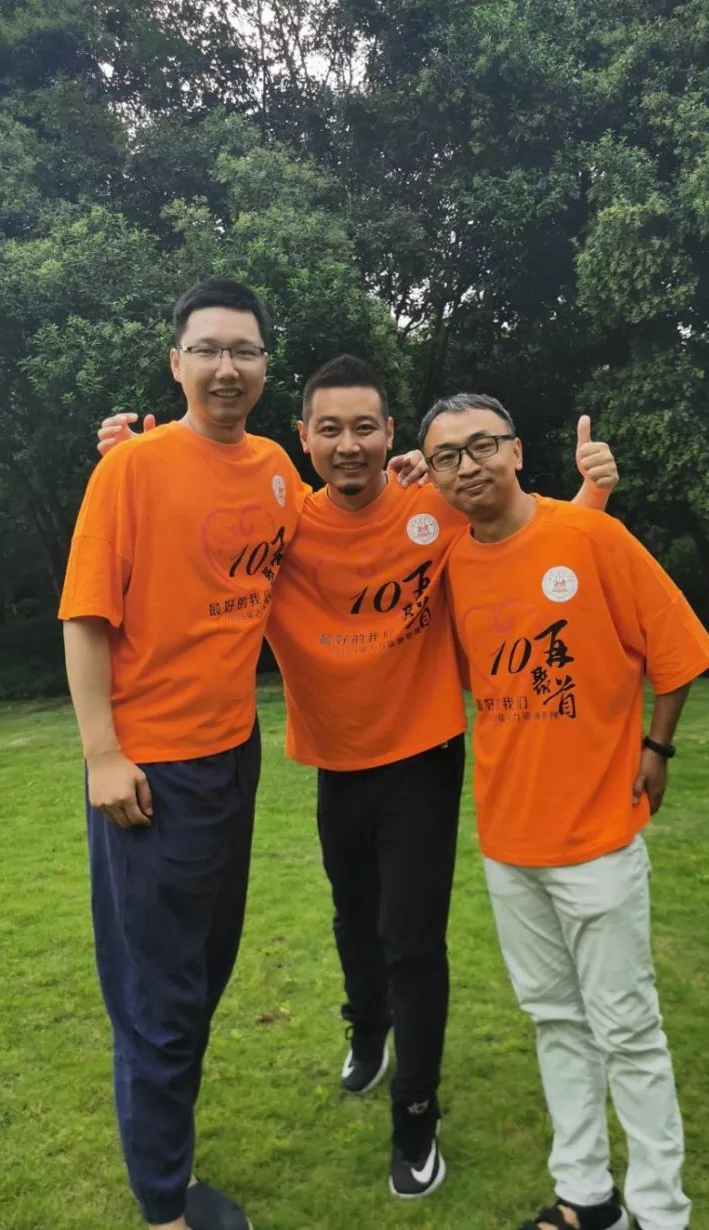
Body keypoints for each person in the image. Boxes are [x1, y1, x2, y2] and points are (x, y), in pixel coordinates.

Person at [96, 356, 619, 1200]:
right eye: (331, 429)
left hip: (422, 757)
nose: (349, 445)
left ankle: (416, 1115)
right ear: (303, 438)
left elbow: (533, 541)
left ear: (391, 435)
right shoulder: (281, 524)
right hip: (335, 760)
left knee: (412, 940)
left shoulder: (432, 504)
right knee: (353, 919)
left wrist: (593, 489)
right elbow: (191, 536)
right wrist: (132, 461)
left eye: (366, 428)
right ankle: (367, 1029)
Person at [418, 394, 709, 1230]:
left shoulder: (590, 537)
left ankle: (660, 1211)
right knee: (555, 1022)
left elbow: (676, 649)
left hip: (597, 837)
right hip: (508, 839)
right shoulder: (453, 564)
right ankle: (586, 1198)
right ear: (433, 474)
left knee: (628, 1029)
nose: (468, 466)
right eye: (446, 456)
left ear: (517, 451)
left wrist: (657, 747)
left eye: (482, 445)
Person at [59, 279, 305, 1230]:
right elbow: (86, 616)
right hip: (150, 774)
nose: (226, 367)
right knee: (158, 996)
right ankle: (166, 1209)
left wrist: (400, 478)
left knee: (202, 974)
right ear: (176, 363)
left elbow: (329, 537)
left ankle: (173, 1157)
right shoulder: (132, 469)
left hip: (233, 754)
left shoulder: (276, 470)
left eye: (243, 350)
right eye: (207, 349)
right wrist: (101, 753)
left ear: (265, 366)